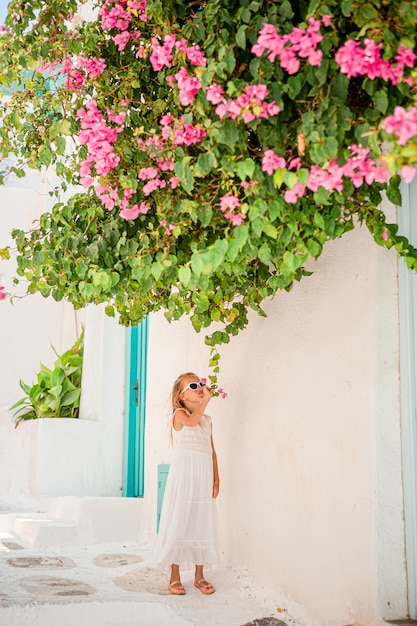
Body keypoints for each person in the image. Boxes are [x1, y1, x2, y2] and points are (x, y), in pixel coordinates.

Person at [154, 372, 220, 595]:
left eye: (201, 383)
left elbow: (212, 450)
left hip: (203, 476)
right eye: (194, 385)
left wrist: (216, 478)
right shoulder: (180, 415)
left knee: (201, 521)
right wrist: (207, 400)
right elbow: (192, 421)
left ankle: (199, 575)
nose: (200, 387)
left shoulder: (207, 420)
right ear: (181, 397)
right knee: (180, 519)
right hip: (184, 477)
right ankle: (174, 575)